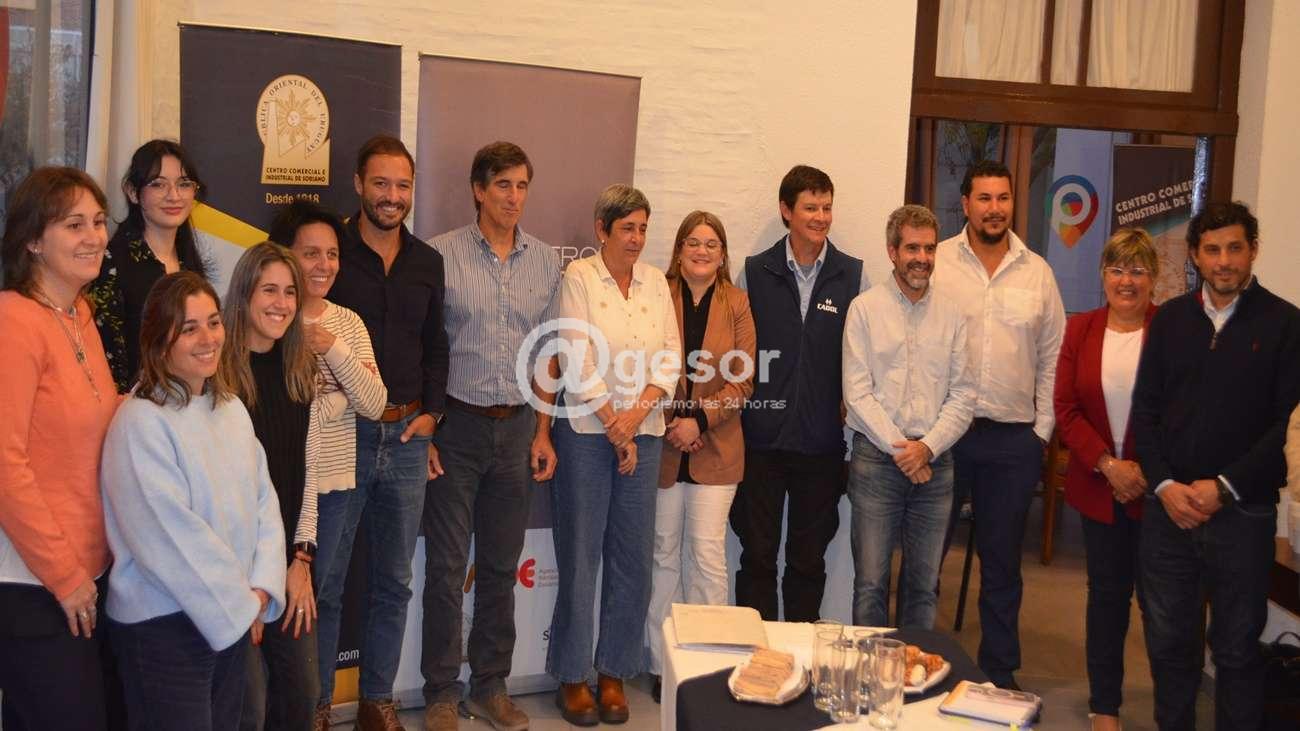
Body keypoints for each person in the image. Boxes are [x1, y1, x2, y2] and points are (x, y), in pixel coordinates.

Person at [1131, 202, 1300, 730]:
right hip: (1170, 513)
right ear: (1195, 256)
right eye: (1212, 250)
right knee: (1169, 646)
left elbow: (1288, 426)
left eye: (1234, 248)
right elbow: (1145, 411)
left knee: (1236, 651)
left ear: (1253, 251)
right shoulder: (1170, 320)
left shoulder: (1286, 323)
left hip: (1243, 515)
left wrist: (1224, 487)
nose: (1224, 261)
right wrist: (1164, 485)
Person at [101, 271, 287, 731]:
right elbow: (168, 536)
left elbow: (264, 503)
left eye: (213, 322)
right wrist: (240, 604)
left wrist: (260, 587)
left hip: (230, 615)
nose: (208, 339)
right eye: (189, 328)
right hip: (164, 626)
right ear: (159, 341)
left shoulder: (231, 409)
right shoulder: (140, 422)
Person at [420, 142, 561, 731]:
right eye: (503, 184)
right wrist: (427, 428)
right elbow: (425, 348)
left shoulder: (545, 261)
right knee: (447, 568)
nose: (513, 196)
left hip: (519, 428)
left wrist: (544, 431)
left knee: (501, 567)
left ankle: (490, 686)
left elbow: (549, 352)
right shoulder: (440, 255)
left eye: (522, 185)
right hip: (456, 428)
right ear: (478, 190)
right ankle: (440, 693)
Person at [323, 134, 449, 730]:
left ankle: (377, 701)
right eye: (380, 183)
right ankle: (316, 706)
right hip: (341, 435)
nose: (392, 196)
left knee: (394, 581)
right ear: (358, 184)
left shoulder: (427, 262)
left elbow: (436, 345)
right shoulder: (330, 252)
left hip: (406, 439)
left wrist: (433, 415)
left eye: (402, 185)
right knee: (326, 580)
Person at [548, 184, 680, 726]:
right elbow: (574, 359)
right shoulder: (579, 278)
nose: (637, 239)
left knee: (633, 560)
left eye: (643, 228)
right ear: (602, 230)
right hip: (586, 433)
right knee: (581, 556)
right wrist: (614, 425)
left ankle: (613, 671)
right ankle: (572, 675)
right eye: (627, 228)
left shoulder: (655, 281)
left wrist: (633, 422)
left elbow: (670, 357)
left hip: (642, 435)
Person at [931, 160, 1065, 690]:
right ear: (965, 204)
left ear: (1013, 203)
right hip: (946, 434)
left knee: (1003, 564)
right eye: (984, 198)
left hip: (1013, 440)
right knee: (925, 555)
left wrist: (1040, 433)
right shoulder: (938, 262)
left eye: (1003, 198)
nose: (994, 208)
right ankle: (919, 663)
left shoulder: (1038, 273)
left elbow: (1053, 358)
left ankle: (999, 674)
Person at [0, 167, 119, 730]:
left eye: (98, 221)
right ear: (31, 240)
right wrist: (64, 575)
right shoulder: (13, 320)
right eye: (74, 225)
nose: (94, 236)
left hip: (88, 572)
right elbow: (5, 464)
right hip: (34, 583)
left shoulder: (79, 315)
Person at [268, 199, 388, 731]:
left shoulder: (347, 323)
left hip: (337, 484)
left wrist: (333, 350)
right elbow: (285, 406)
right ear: (285, 255)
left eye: (332, 254)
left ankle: (316, 708)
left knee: (325, 596)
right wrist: (335, 397)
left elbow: (375, 401)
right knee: (275, 594)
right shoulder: (270, 314)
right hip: (280, 485)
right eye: (310, 253)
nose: (323, 265)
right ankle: (280, 709)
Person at [730, 164, 865, 623]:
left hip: (821, 444)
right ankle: (757, 652)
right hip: (761, 443)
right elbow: (736, 354)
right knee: (757, 556)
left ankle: (802, 652)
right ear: (786, 211)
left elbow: (862, 355)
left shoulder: (852, 276)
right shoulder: (754, 272)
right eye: (811, 207)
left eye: (827, 207)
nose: (821, 217)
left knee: (808, 562)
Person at [843, 204, 974, 631]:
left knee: (923, 587)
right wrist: (905, 451)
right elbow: (857, 394)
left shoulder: (953, 314)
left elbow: (964, 395)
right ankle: (869, 670)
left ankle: (915, 667)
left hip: (936, 464)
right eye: (913, 248)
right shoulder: (864, 310)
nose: (922, 258)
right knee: (870, 585)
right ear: (892, 251)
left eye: (929, 249)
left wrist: (927, 448)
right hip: (876, 462)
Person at [645, 210, 756, 700]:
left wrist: (699, 422)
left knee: (707, 555)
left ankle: (710, 664)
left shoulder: (737, 302)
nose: (702, 251)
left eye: (712, 244)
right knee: (663, 555)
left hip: (717, 447)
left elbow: (743, 380)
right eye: (693, 241)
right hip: (663, 444)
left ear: (723, 254)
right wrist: (674, 423)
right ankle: (660, 663)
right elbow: (643, 363)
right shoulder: (656, 294)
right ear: (679, 249)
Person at [1053, 228, 1159, 731]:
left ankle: (1173, 706)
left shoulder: (1171, 330)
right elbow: (1066, 407)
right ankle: (1105, 707)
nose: (1126, 280)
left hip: (1159, 494)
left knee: (1163, 606)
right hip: (1099, 488)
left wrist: (1146, 472)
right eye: (1117, 269)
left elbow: (1183, 412)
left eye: (1137, 270)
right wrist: (1108, 465)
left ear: (1153, 278)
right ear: (1103, 275)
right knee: (1107, 601)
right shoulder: (1081, 329)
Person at [222, 243, 321, 731]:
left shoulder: (300, 371)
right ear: (243, 295)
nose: (281, 303)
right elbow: (220, 497)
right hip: (232, 571)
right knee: (250, 704)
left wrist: (301, 559)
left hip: (287, 562)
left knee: (303, 692)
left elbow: (308, 476)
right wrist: (249, 586)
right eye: (269, 291)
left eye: (290, 292)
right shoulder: (215, 378)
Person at [88, 139, 210, 393]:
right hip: (135, 407)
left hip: (187, 401)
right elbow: (108, 359)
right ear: (133, 192)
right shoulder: (111, 263)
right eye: (158, 184)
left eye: (183, 184)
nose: (174, 196)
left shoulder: (190, 262)